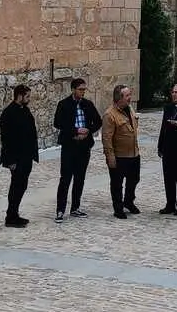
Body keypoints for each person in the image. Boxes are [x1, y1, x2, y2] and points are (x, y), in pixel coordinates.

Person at [53, 78, 102, 223]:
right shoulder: (64, 104)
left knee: (80, 178)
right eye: (80, 89)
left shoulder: (87, 104)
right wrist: (75, 131)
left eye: (84, 89)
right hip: (69, 145)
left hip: (84, 146)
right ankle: (60, 210)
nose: (82, 92)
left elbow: (98, 121)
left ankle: (75, 207)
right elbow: (58, 123)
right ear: (73, 89)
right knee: (65, 178)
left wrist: (88, 130)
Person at [0, 84, 39, 228]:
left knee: (22, 185)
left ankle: (14, 214)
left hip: (26, 156)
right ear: (19, 96)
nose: (29, 99)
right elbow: (6, 139)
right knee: (16, 186)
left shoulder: (25, 110)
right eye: (27, 96)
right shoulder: (9, 113)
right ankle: (10, 216)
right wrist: (10, 160)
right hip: (16, 158)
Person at [102, 84, 141, 219]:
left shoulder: (130, 109)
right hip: (119, 156)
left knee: (134, 179)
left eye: (130, 94)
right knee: (117, 184)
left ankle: (128, 202)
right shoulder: (110, 115)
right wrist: (110, 157)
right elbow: (107, 138)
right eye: (127, 95)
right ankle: (118, 208)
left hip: (134, 153)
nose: (130, 97)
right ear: (119, 98)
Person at [157, 83, 177, 216]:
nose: (174, 95)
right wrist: (160, 146)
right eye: (173, 92)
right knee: (168, 177)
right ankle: (170, 204)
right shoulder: (168, 108)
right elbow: (163, 128)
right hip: (168, 148)